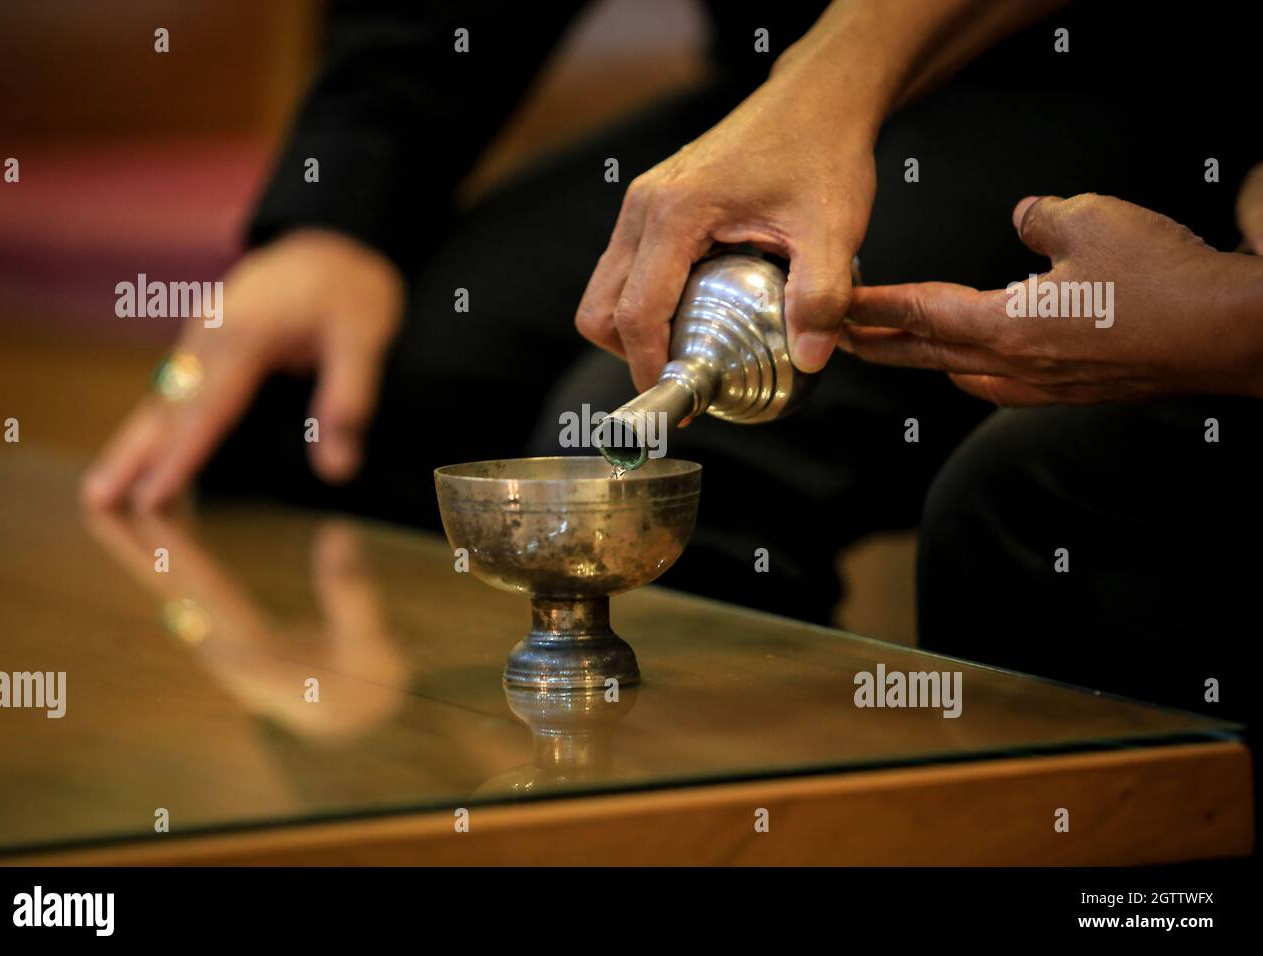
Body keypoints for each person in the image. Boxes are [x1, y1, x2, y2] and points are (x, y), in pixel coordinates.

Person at [82, 0, 1258, 719]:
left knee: (644, 440)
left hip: (1102, 68)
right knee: (348, 395)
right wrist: (339, 209)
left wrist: (829, 80)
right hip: (791, 73)